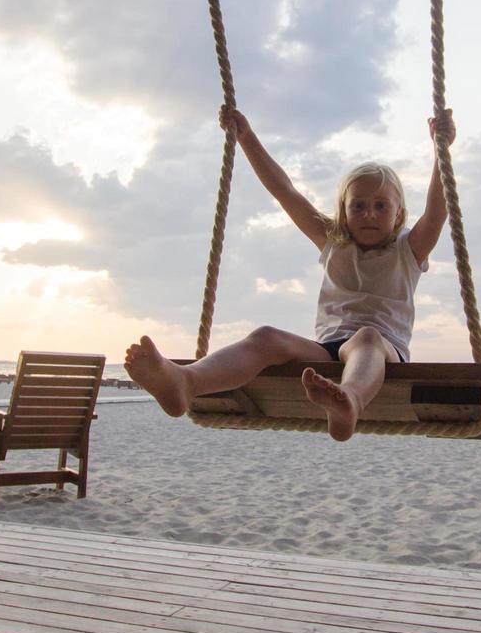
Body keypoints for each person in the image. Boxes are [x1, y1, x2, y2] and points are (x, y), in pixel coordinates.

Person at [124, 105, 456, 441]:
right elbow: (286, 192)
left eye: (380, 205)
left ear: (398, 213)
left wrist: (440, 150)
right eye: (358, 205)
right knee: (266, 337)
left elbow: (436, 212)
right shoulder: (333, 242)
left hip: (382, 353)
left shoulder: (408, 249)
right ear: (343, 210)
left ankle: (350, 401)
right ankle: (186, 381)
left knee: (366, 337)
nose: (369, 213)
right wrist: (246, 138)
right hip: (328, 350)